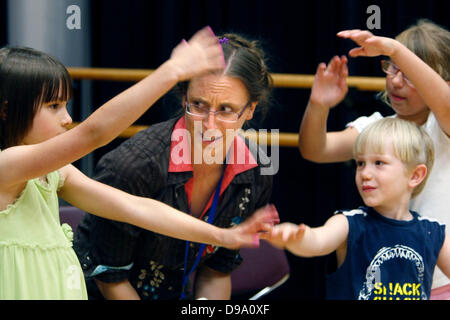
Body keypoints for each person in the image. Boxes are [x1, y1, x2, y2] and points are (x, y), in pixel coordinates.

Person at [0, 27, 279, 300]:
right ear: (6, 110)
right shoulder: (6, 166)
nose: (66, 118)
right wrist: (172, 71)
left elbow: (136, 208)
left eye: (65, 105)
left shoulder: (56, 173)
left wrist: (222, 237)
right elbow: (93, 133)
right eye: (53, 106)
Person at [298, 20, 450, 295]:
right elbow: (315, 149)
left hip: (441, 282)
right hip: (387, 282)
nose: (394, 80)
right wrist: (319, 105)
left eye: (409, 74)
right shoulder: (377, 128)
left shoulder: (442, 128)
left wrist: (394, 49)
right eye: (391, 67)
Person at [264, 118, 449, 300]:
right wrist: (296, 237)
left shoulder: (433, 232)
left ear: (416, 175)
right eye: (360, 163)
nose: (365, 174)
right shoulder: (348, 222)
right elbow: (317, 241)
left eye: (379, 163)